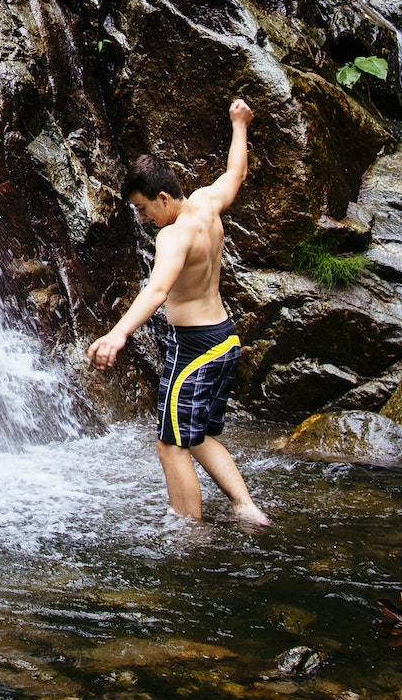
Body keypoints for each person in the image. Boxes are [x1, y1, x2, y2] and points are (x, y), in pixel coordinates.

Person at [87, 98, 270, 526]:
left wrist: (118, 334)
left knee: (171, 444)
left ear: (163, 196)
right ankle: (246, 507)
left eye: (142, 207)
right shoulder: (206, 203)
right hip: (224, 339)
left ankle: (190, 536)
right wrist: (238, 124)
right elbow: (235, 173)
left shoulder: (174, 236)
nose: (142, 215)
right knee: (198, 434)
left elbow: (157, 290)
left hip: (196, 348)